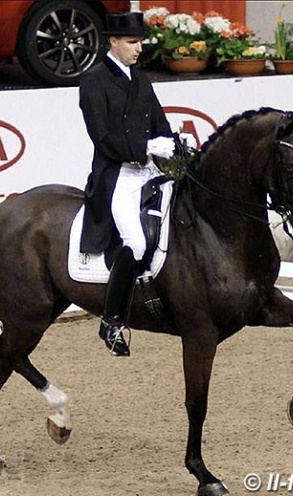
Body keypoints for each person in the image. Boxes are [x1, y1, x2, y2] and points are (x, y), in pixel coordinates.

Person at [79, 11, 177, 357]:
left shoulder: (141, 80)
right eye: (133, 42)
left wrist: (172, 144)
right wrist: (145, 147)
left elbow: (160, 125)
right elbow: (102, 137)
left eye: (141, 42)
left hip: (148, 171)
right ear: (114, 42)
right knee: (135, 242)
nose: (139, 49)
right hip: (116, 174)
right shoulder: (93, 82)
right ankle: (112, 320)